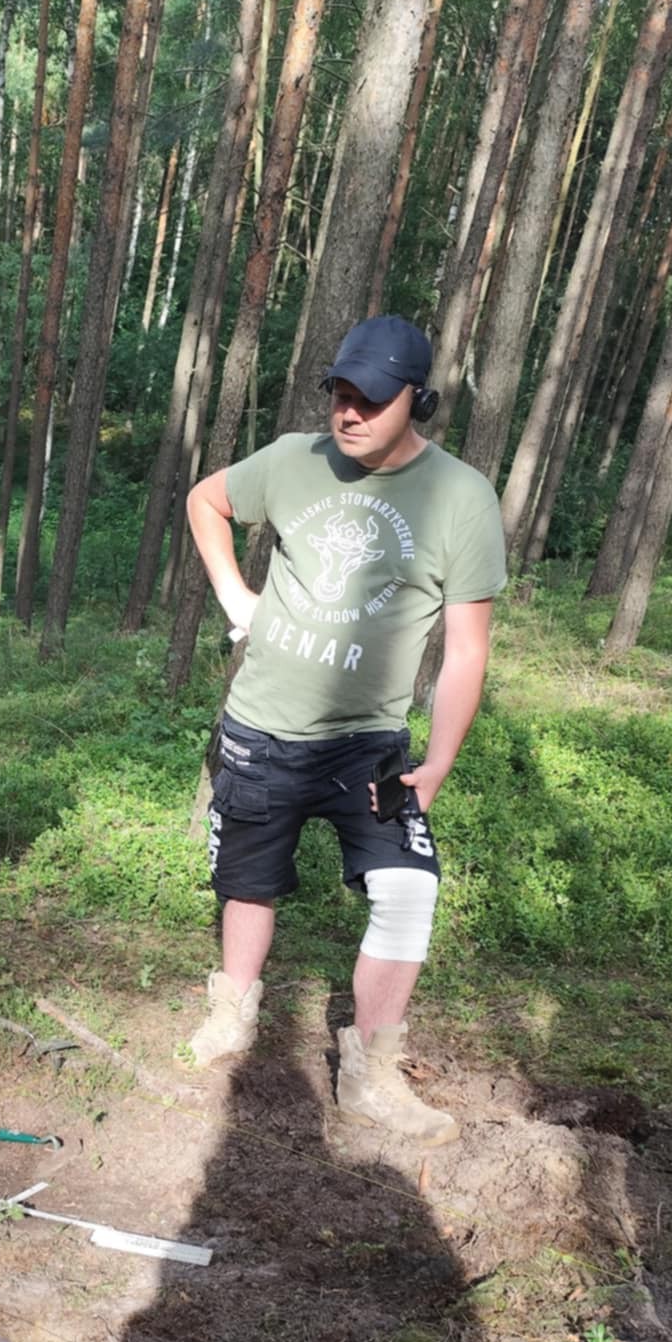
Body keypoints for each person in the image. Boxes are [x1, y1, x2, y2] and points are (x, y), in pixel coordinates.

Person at [183, 315, 506, 1145]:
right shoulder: (294, 460)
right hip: (262, 729)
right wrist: (236, 597)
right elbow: (206, 501)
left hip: (370, 743)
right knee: (248, 881)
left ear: (418, 402)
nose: (349, 412)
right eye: (341, 393)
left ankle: (371, 1072)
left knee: (410, 890)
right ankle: (233, 1013)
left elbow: (467, 648)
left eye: (372, 398)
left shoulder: (460, 497)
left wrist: (439, 760)